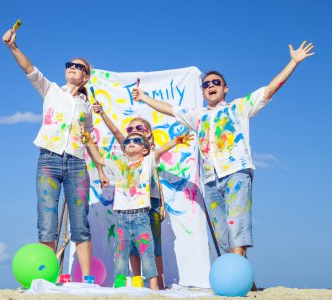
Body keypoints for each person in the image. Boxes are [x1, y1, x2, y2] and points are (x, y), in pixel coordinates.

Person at [131, 41, 314, 258]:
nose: (210, 86)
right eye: (206, 84)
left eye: (215, 82)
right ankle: (242, 279)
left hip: (236, 172)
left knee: (238, 229)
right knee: (223, 236)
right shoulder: (198, 115)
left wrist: (293, 62)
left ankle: (238, 278)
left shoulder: (239, 107)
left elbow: (270, 89)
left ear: (225, 88)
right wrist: (143, 98)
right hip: (210, 180)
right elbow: (170, 109)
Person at [2, 28, 108, 278]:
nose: (72, 67)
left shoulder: (86, 107)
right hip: (48, 161)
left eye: (78, 66)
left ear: (85, 77)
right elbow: (29, 69)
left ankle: (87, 279)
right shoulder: (50, 90)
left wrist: (101, 169)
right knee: (47, 221)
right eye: (69, 64)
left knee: (80, 223)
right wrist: (13, 47)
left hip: (77, 165)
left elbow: (88, 138)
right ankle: (47, 275)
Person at [83, 128, 193, 290]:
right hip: (122, 218)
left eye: (137, 141)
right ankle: (119, 287)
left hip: (141, 216)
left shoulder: (148, 161)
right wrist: (89, 142)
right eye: (127, 142)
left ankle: (154, 288)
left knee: (147, 253)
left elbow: (161, 150)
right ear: (123, 148)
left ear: (145, 150)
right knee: (120, 254)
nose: (131, 143)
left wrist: (176, 141)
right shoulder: (119, 164)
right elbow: (99, 159)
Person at [92, 102, 166, 289]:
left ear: (148, 132)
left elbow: (158, 183)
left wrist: (163, 204)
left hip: (152, 201)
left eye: (139, 127)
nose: (133, 132)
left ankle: (159, 284)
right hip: (127, 207)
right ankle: (136, 280)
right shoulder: (129, 150)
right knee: (131, 246)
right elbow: (116, 132)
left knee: (151, 245)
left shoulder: (149, 155)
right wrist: (102, 114)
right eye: (130, 129)